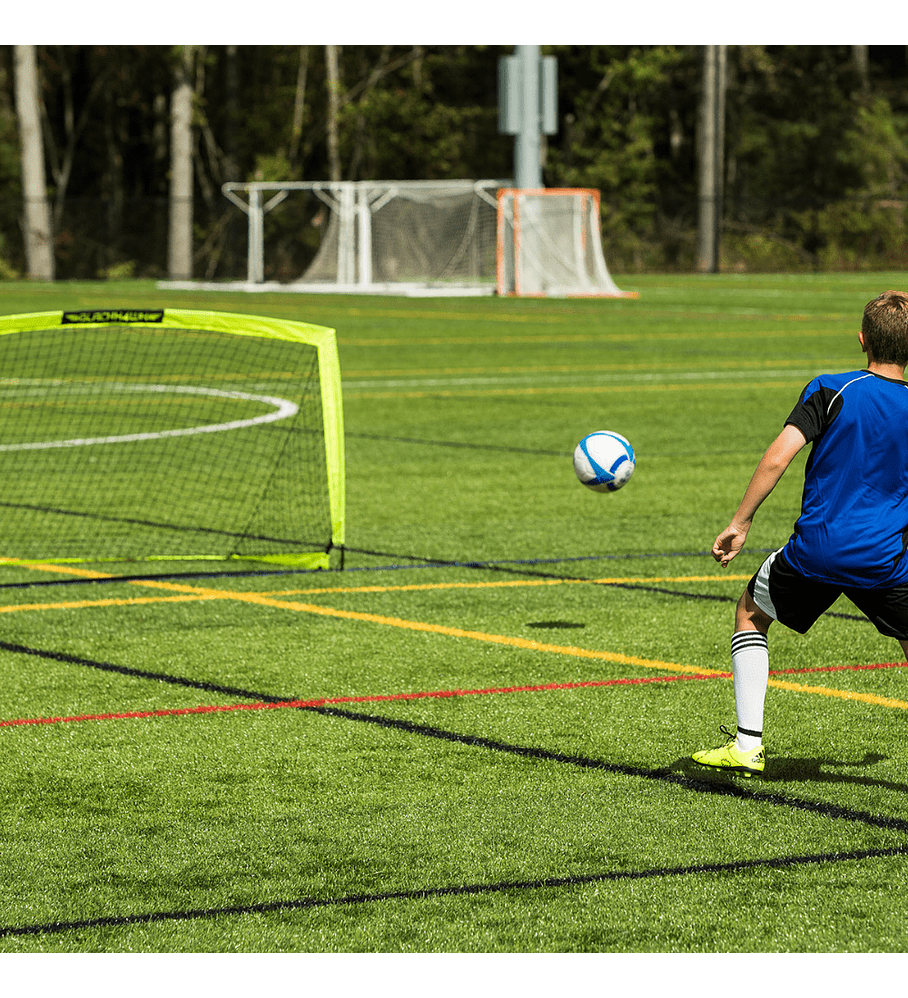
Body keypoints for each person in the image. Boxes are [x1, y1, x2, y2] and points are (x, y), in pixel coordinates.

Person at [693, 290, 908, 777]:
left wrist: (740, 522)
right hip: (885, 558)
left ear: (862, 340)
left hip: (816, 553)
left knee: (751, 611)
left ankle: (748, 744)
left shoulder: (830, 389)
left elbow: (777, 456)